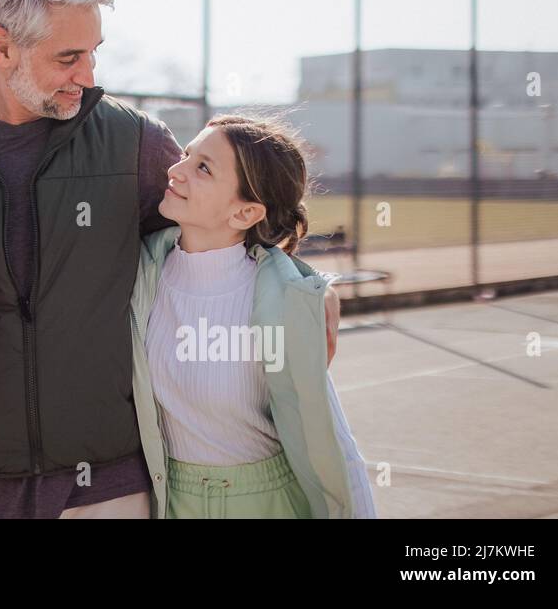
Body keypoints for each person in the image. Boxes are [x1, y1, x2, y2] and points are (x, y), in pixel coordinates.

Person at [0, 0, 344, 519]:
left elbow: (216, 237)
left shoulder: (135, 143)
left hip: (107, 482)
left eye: (94, 52)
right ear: (3, 47)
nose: (88, 74)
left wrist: (299, 289)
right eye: (67, 57)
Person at [131, 113, 376, 518]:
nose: (176, 169)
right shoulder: (140, 274)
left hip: (268, 504)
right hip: (172, 501)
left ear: (245, 214)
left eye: (203, 167)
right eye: (187, 155)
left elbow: (333, 442)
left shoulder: (281, 301)